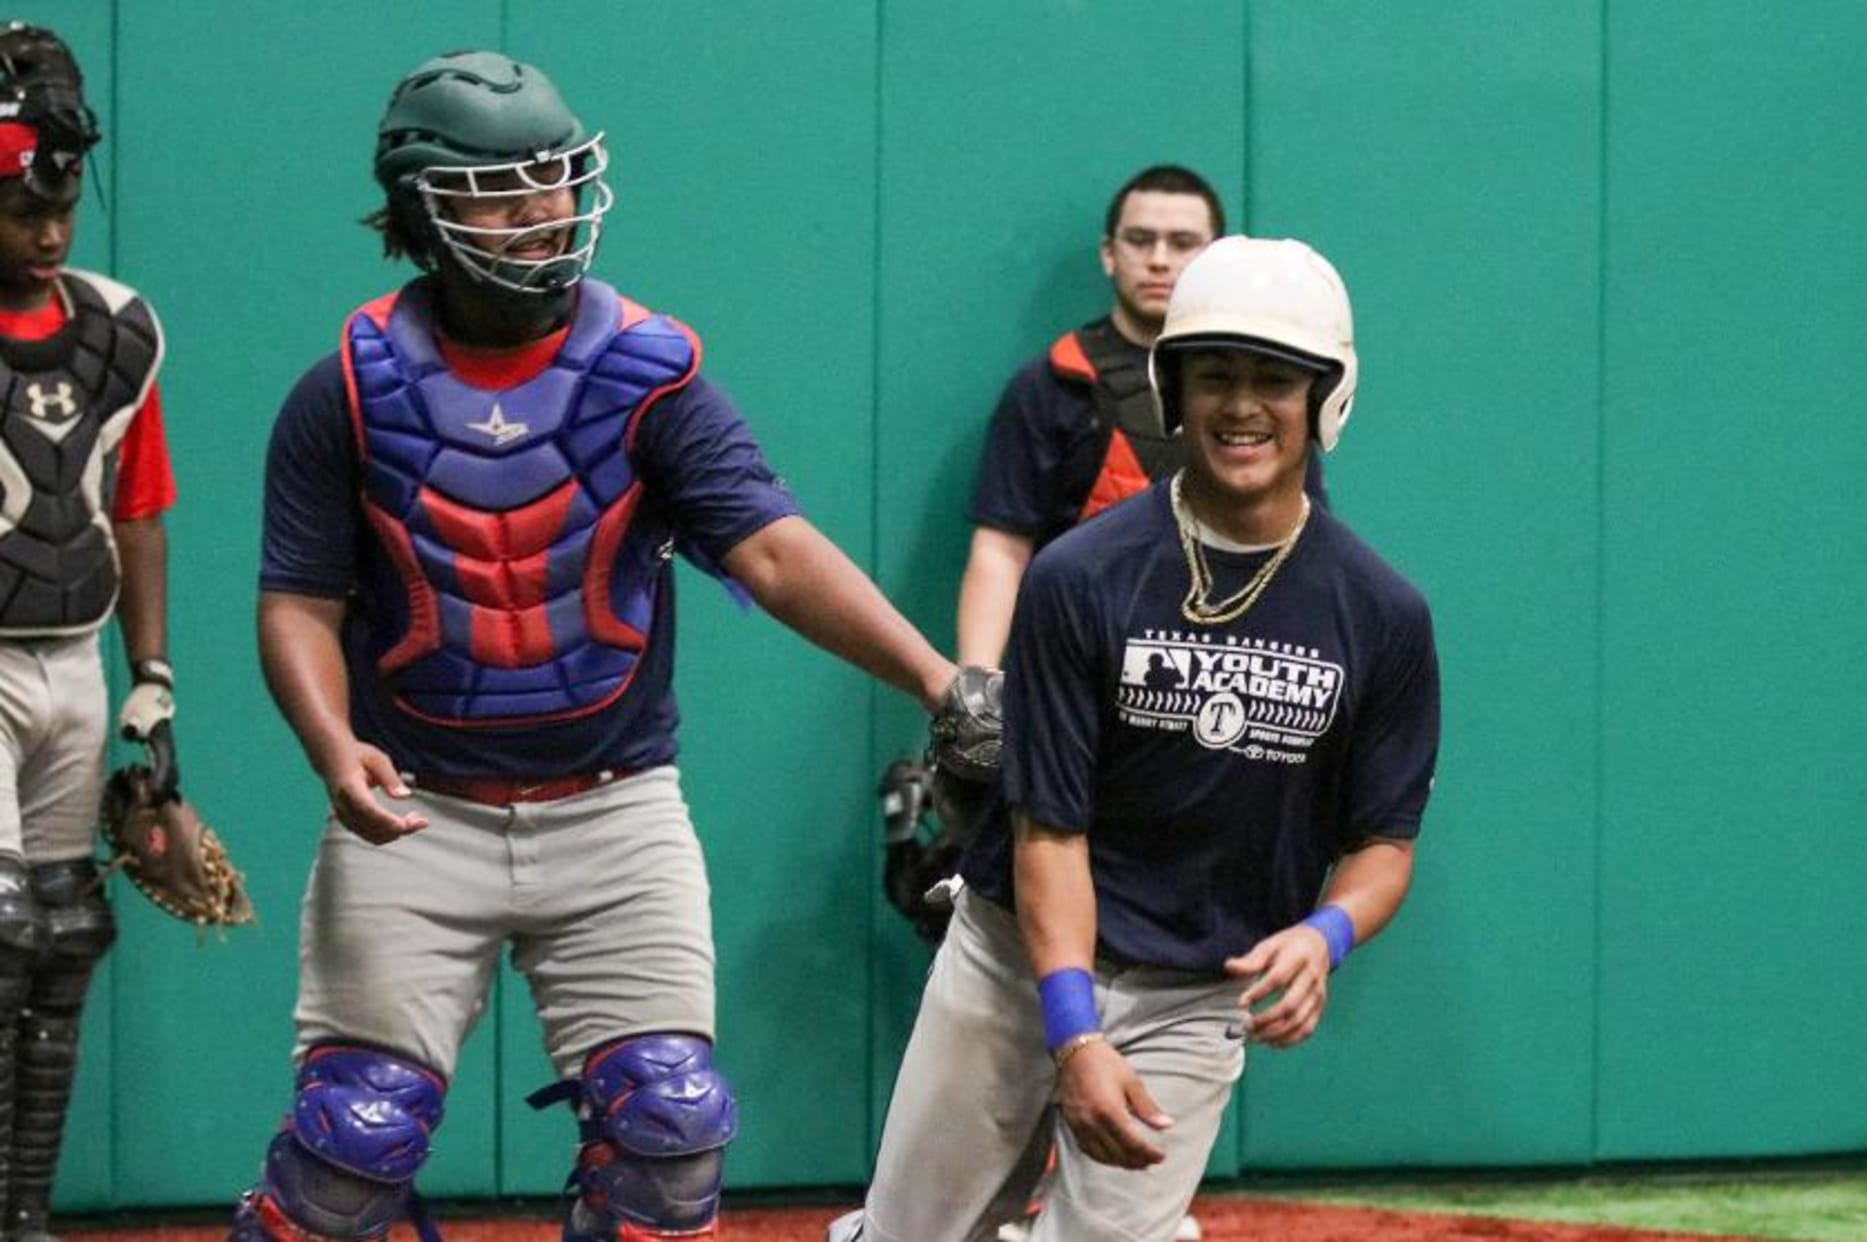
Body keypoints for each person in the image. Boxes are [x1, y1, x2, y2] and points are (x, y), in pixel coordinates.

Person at [232, 51, 977, 1242]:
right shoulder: (349, 391)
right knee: (348, 1147)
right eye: (507, 189)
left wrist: (943, 683)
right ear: (428, 207)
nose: (547, 212)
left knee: (669, 1132)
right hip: (413, 807)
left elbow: (774, 551)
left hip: (614, 806)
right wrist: (332, 748)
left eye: (559, 180)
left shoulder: (646, 374)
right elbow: (296, 605)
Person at [835, 236, 1442, 1242]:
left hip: (1197, 990)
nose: (1242, 405)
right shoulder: (1082, 577)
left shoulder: (1381, 614)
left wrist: (1323, 934)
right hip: (1014, 959)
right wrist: (1071, 1030)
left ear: (1325, 396)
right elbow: (1048, 835)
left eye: (1272, 379)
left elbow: (1383, 845)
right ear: (1173, 392)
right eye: (1214, 376)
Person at [0, 24, 177, 1242]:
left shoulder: (118, 330)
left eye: (60, 197)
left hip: (77, 652)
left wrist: (152, 682)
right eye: (22, 201)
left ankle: (24, 1216)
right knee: (2, 931)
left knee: (66, 934)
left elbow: (140, 509)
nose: (49, 226)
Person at [953, 164, 1326, 670]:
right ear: (1110, 254)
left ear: (1214, 256)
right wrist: (977, 691)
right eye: (1140, 240)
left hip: (1230, 667)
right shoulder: (1055, 382)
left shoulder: (1274, 397)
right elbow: (1001, 548)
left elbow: (1303, 542)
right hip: (1081, 663)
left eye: (1181, 242)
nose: (1158, 260)